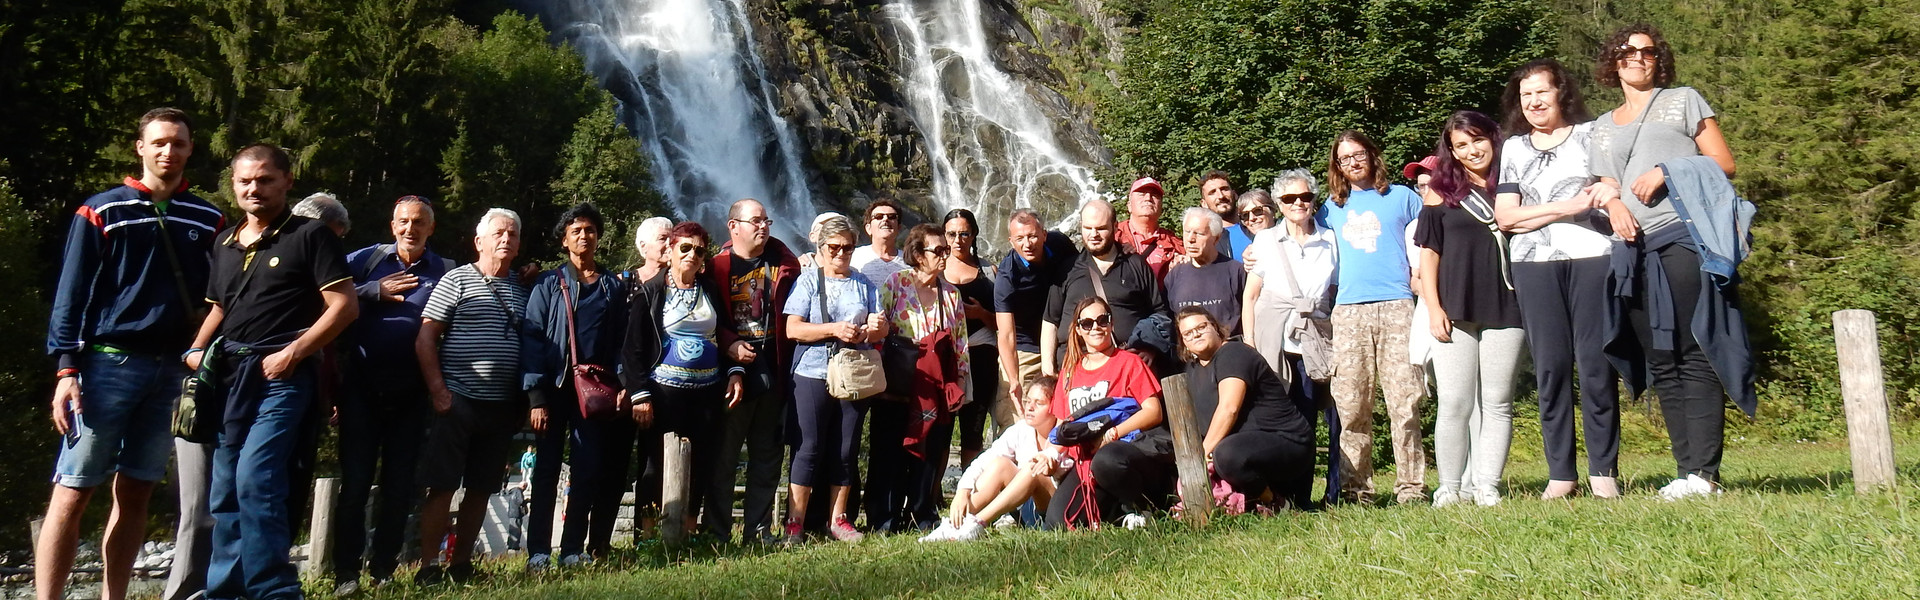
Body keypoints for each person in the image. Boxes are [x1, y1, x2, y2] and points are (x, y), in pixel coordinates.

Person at [41, 108, 223, 600]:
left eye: (179, 144)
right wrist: (66, 369)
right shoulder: (102, 210)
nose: (169, 152)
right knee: (74, 489)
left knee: (138, 490)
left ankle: (113, 596)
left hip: (172, 372)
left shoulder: (209, 218)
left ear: (191, 150)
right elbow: (70, 293)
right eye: (160, 142)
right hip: (106, 365)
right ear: (140, 147)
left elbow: (222, 297)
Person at [185, 144, 358, 600]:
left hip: (282, 376)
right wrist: (197, 348)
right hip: (228, 377)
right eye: (244, 181)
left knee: (257, 478)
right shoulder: (223, 243)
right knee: (224, 488)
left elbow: (344, 307)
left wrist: (294, 352)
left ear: (287, 181)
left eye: (264, 180)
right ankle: (225, 589)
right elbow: (221, 306)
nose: (253, 189)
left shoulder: (310, 235)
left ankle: (274, 590)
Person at [1588, 24, 1750, 499]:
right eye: (1628, 50)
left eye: (1647, 51)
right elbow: (1605, 184)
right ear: (1612, 60)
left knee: (1692, 349)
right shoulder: (1602, 125)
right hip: (1631, 251)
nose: (1638, 57)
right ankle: (1686, 471)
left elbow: (1724, 162)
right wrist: (1613, 205)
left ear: (1659, 60)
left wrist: (1667, 170)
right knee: (1660, 357)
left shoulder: (1684, 100)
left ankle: (1705, 473)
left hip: (1682, 237)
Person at [1493, 58, 1621, 500]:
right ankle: (1561, 474)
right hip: (1533, 264)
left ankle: (1604, 471)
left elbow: (1607, 194)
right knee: (1550, 367)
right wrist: (1570, 207)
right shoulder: (1512, 148)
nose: (1533, 102)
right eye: (1526, 95)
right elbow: (1505, 218)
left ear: (1560, 92)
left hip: (1592, 257)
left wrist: (1536, 214)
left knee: (1595, 364)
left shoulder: (1592, 136)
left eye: (1541, 92)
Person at [330, 195, 452, 594]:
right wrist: (371, 292)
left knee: (400, 487)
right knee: (355, 485)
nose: (410, 229)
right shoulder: (363, 261)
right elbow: (322, 296)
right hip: (361, 388)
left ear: (431, 228)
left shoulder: (446, 271)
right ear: (392, 224)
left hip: (413, 393)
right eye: (403, 221)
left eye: (419, 222)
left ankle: (383, 569)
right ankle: (345, 573)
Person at [411, 208, 529, 585]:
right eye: (498, 233)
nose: (505, 239)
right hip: (457, 399)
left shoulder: (524, 291)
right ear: (479, 241)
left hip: (501, 406)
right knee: (442, 485)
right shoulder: (456, 279)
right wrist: (438, 391)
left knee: (482, 487)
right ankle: (428, 566)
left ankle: (461, 563)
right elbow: (426, 337)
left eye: (512, 233)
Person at [1414, 111, 1526, 507]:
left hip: (1507, 303)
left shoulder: (1515, 185)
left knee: (1497, 401)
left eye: (1477, 140)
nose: (1471, 150)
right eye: (1461, 145)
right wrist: (1433, 307)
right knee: (1455, 402)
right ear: (1452, 151)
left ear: (1493, 139)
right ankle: (1450, 486)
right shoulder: (1438, 191)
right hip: (1453, 308)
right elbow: (1429, 255)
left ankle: (1487, 484)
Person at [1320, 130, 1429, 506]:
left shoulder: (1403, 198)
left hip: (1398, 305)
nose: (1352, 162)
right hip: (1349, 312)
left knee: (1405, 402)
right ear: (1337, 165)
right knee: (1351, 405)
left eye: (1358, 154)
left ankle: (1411, 487)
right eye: (1344, 157)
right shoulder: (1329, 208)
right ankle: (1356, 491)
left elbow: (1427, 246)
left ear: (1372, 155)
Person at [523, 203, 632, 567]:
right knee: (546, 471)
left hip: (594, 392)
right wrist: (536, 397)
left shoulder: (612, 286)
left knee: (587, 469)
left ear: (598, 237)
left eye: (590, 230)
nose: (584, 236)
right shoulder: (548, 283)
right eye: (576, 231)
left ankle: (572, 550)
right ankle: (538, 551)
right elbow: (533, 339)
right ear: (564, 240)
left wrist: (621, 383)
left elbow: (620, 340)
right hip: (554, 389)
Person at [620, 221, 737, 544]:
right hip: (662, 394)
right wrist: (639, 395)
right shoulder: (651, 291)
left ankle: (687, 530)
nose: (692, 255)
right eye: (685, 248)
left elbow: (724, 334)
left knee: (700, 461)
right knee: (654, 464)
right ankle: (648, 534)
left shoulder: (710, 290)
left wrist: (734, 372)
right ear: (670, 251)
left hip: (707, 393)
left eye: (699, 250)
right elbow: (633, 349)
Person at [781, 214, 887, 544]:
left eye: (848, 248)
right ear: (821, 247)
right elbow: (792, 328)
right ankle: (795, 522)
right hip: (812, 371)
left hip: (853, 372)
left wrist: (875, 328)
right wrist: (833, 329)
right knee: (808, 448)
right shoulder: (809, 281)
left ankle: (838, 519)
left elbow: (882, 327)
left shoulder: (864, 283)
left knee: (846, 448)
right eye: (835, 247)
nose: (841, 254)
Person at [1242, 168, 1340, 503]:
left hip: (1315, 341)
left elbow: (1335, 290)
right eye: (1289, 198)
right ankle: (1281, 495)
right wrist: (1250, 343)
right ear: (1279, 205)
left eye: (1305, 197)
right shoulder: (1266, 241)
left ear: (1314, 200)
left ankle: (1308, 496)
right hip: (1275, 343)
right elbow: (1251, 296)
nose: (1298, 203)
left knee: (1311, 418)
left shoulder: (1330, 240)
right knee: (1282, 421)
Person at [708, 198, 802, 543]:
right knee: (724, 457)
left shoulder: (784, 266)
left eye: (767, 221)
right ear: (733, 226)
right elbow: (705, 319)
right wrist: (729, 345)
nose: (763, 227)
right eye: (755, 221)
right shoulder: (715, 268)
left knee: (767, 455)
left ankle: (758, 531)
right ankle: (716, 532)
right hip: (730, 375)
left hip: (775, 370)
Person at [873, 224, 970, 532]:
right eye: (938, 250)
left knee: (928, 454)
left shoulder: (951, 294)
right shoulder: (895, 283)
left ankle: (920, 514)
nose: (946, 255)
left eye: (947, 250)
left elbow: (960, 343)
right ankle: (884, 519)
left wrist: (961, 386)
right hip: (897, 385)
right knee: (888, 452)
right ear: (917, 254)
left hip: (935, 387)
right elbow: (878, 333)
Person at [1046, 297, 1173, 529]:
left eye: (1102, 320)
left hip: (1124, 453)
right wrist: (1048, 455)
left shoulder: (1129, 362)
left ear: (1112, 324)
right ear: (1078, 330)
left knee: (1107, 462)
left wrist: (1112, 434)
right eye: (1087, 323)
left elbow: (1153, 412)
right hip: (1084, 462)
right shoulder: (1069, 372)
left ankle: (1143, 507)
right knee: (1057, 523)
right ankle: (1116, 514)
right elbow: (1063, 424)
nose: (1096, 327)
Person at [1177, 308, 1314, 511]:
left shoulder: (1233, 353)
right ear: (1184, 344)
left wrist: (1201, 455)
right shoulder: (1193, 371)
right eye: (1188, 333)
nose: (1196, 334)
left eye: (1201, 327)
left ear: (1215, 327)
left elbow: (1229, 408)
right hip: (1249, 446)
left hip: (1287, 441)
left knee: (1226, 455)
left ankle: (1276, 503)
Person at [919, 376, 1066, 542]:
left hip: (1052, 512)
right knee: (1000, 464)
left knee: (1033, 469)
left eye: (1039, 403)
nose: (1030, 407)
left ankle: (977, 524)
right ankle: (956, 524)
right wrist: (963, 490)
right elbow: (985, 460)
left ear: (1055, 408)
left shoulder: (1066, 437)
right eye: (1028, 400)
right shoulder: (1021, 429)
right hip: (1025, 510)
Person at [1043, 200, 1167, 376]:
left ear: (1115, 227)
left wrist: (1150, 347)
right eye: (1088, 228)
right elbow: (1050, 321)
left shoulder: (1136, 265)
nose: (1094, 234)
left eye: (1101, 228)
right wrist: (1048, 369)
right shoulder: (1067, 269)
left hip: (1126, 370)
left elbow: (1160, 312)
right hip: (1076, 371)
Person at [993, 209, 1078, 423]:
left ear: (1044, 235)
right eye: (1020, 238)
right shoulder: (1007, 275)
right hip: (1025, 347)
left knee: (1069, 405)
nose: (1027, 243)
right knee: (1016, 412)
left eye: (1032, 236)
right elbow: (1005, 334)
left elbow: (1083, 274)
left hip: (1062, 342)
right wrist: (1013, 380)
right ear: (1011, 241)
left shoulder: (1060, 245)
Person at [941, 209, 999, 467]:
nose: (958, 240)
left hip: (982, 355)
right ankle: (931, 496)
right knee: (940, 426)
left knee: (973, 426)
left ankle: (968, 489)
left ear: (973, 234)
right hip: (943, 357)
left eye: (964, 233)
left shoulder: (989, 270)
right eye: (951, 234)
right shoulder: (935, 269)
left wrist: (980, 313)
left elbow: (1006, 323)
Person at [1164, 207, 1245, 337]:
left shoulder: (1235, 271)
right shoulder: (1174, 276)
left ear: (1216, 238)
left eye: (1199, 233)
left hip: (1229, 350)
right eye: (1187, 232)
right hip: (1188, 354)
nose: (1191, 239)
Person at [1113, 177, 1183, 281]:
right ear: (1129, 206)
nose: (1148, 198)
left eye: (1154, 195)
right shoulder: (1112, 237)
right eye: (1141, 194)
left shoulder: (1175, 244)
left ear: (1161, 207)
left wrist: (1185, 266)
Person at [852, 199, 910, 285]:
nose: (885, 219)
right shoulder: (853, 257)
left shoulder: (910, 261)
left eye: (892, 216)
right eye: (878, 216)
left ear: (899, 228)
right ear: (868, 228)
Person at [1200, 171, 1252, 260]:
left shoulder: (1255, 226)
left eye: (1224, 189)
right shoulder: (1206, 241)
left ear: (1235, 195)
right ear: (1203, 203)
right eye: (1212, 192)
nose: (1220, 196)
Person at [625, 216, 674, 286]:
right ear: (643, 246)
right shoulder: (624, 282)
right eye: (662, 239)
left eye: (672, 239)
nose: (669, 243)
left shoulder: (684, 281)